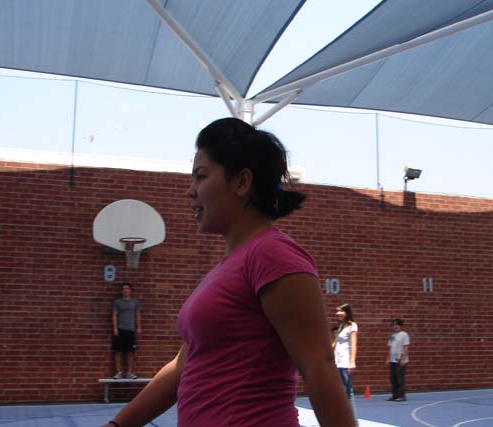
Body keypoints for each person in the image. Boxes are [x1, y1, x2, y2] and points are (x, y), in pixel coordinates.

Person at [102, 118, 356, 427]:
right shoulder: (229, 267)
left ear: (241, 182)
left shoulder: (272, 255)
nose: (190, 192)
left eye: (201, 176)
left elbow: (319, 367)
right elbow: (183, 366)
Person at [333, 304, 358, 424]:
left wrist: (352, 362)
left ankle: (352, 421)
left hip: (345, 363)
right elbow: (336, 343)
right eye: (337, 311)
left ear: (346, 312)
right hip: (338, 363)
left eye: (340, 311)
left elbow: (353, 344)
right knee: (341, 392)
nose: (337, 313)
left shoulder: (352, 326)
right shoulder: (341, 326)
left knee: (347, 392)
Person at [111, 283, 142, 380]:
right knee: (118, 351)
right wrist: (115, 329)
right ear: (122, 291)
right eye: (123, 289)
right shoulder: (117, 302)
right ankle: (118, 372)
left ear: (130, 290)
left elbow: (137, 315)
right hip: (120, 329)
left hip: (130, 330)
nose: (125, 290)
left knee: (130, 352)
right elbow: (114, 315)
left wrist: (138, 327)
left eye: (127, 288)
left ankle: (129, 372)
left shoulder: (135, 303)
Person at [386, 318, 409, 402]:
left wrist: (403, 358)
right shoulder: (392, 335)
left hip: (400, 359)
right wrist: (388, 358)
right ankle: (394, 395)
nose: (395, 326)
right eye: (393, 325)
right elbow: (390, 347)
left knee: (400, 378)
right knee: (393, 379)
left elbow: (406, 347)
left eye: (397, 325)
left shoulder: (404, 335)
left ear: (401, 326)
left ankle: (401, 395)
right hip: (392, 359)